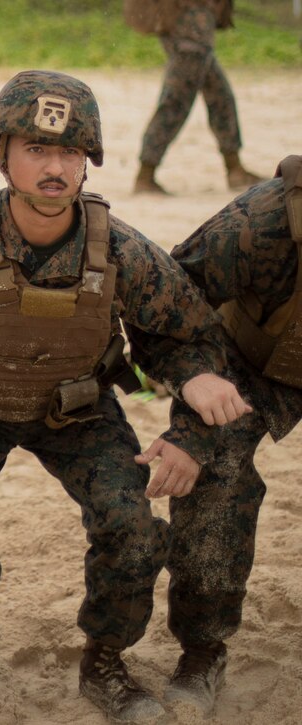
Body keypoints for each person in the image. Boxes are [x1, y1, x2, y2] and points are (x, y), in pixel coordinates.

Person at [0, 70, 250, 725]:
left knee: (133, 528)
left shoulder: (119, 248)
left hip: (76, 407)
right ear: (2, 157)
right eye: (38, 151)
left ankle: (105, 660)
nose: (56, 167)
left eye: (71, 153)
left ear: (88, 163)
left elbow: (191, 333)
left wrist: (192, 399)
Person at [133, 155, 302, 717]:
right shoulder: (263, 221)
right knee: (215, 478)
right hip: (247, 364)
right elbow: (170, 303)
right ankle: (203, 648)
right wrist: (191, 422)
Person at [125, 0, 264, 194]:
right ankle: (145, 175)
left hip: (194, 20)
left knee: (220, 96)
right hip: (187, 22)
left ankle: (235, 169)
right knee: (176, 100)